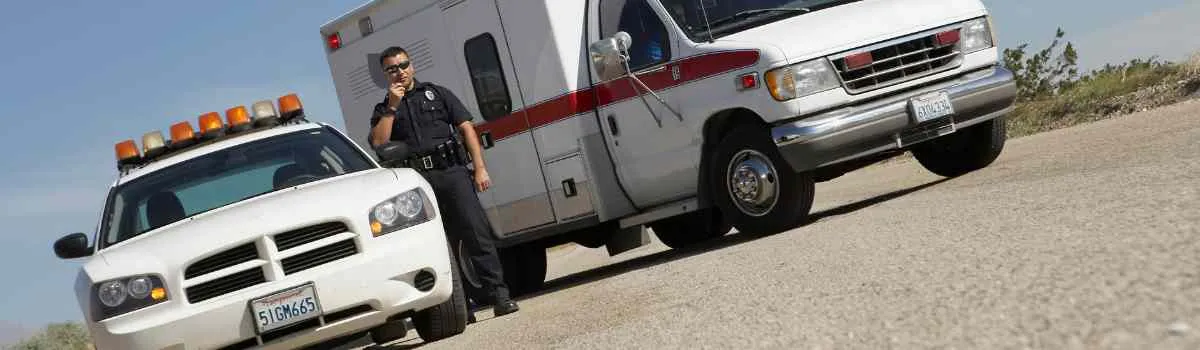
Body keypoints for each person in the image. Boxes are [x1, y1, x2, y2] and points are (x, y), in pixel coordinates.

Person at [368, 46, 519, 317]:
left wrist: (480, 168)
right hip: (417, 183)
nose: (400, 72)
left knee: (476, 234)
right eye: (393, 69)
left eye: (403, 65)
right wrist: (392, 106)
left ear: (411, 66)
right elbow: (379, 142)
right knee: (437, 243)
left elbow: (466, 128)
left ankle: (500, 296)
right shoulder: (383, 108)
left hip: (452, 173)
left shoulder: (436, 93)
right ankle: (461, 308)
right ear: (385, 74)